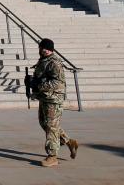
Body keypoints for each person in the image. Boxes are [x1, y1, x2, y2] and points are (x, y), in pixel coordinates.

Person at [26, 38, 78, 167]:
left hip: (54, 99)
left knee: (51, 127)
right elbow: (41, 78)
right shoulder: (43, 61)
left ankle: (52, 156)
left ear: (51, 50)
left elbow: (58, 83)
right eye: (43, 48)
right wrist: (31, 81)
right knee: (44, 123)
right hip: (45, 97)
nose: (45, 50)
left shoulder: (54, 63)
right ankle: (69, 142)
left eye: (47, 49)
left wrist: (39, 84)